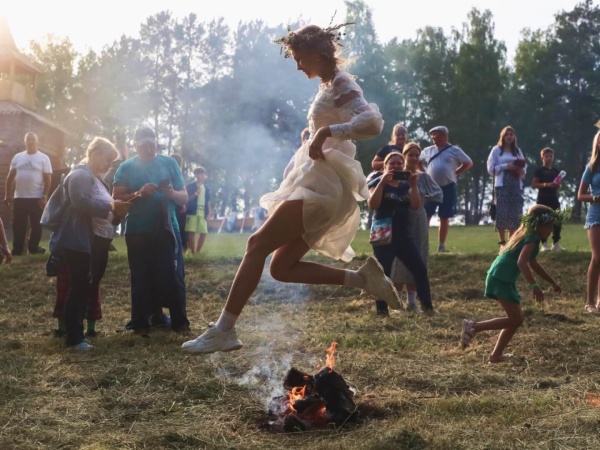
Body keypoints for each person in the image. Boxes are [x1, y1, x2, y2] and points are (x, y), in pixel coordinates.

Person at [182, 23, 399, 354]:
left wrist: (327, 133)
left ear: (315, 54)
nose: (297, 66)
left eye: (299, 58)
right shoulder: (329, 85)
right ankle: (361, 279)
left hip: (321, 188)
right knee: (280, 267)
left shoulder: (341, 82)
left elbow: (372, 123)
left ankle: (224, 330)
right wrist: (315, 136)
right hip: (317, 184)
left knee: (256, 245)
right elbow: (331, 126)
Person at [46, 137, 131, 350]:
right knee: (78, 286)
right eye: (107, 160)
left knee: (84, 286)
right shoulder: (80, 175)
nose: (108, 166)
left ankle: (78, 334)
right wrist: (112, 208)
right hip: (77, 239)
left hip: (90, 241)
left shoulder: (95, 178)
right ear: (94, 154)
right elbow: (80, 202)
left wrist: (117, 211)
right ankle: (73, 338)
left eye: (112, 162)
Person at [112, 126, 191, 335]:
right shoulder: (126, 167)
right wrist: (139, 193)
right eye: (144, 145)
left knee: (173, 274)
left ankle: (180, 322)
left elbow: (184, 197)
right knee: (141, 275)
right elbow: (116, 199)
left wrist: (171, 192)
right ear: (136, 145)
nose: (149, 149)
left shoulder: (169, 163)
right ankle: (141, 322)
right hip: (138, 229)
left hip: (167, 228)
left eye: (152, 144)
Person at [460, 205, 564, 363]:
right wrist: (534, 286)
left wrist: (552, 282)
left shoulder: (527, 235)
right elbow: (522, 262)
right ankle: (475, 327)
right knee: (516, 319)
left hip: (501, 277)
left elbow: (533, 263)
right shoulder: (532, 238)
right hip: (501, 278)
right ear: (538, 224)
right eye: (548, 226)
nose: (551, 230)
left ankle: (495, 355)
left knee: (516, 319)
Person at [368, 151, 435, 316]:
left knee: (419, 269)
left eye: (399, 163)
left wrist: (413, 186)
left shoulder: (406, 185)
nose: (396, 166)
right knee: (383, 273)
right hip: (383, 234)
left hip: (404, 235)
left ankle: (428, 307)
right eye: (392, 163)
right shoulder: (377, 181)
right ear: (385, 166)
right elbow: (373, 204)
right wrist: (382, 183)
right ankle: (382, 311)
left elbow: (415, 206)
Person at [391, 142, 442, 312]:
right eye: (410, 154)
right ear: (404, 155)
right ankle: (396, 301)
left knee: (418, 256)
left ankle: (412, 302)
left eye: (415, 155)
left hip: (418, 220)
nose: (412, 158)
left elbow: (438, 194)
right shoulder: (396, 174)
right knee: (398, 261)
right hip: (400, 219)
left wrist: (424, 199)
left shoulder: (423, 176)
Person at [419, 126, 473, 253]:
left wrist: (456, 173)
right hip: (431, 187)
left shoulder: (454, 150)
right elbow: (417, 161)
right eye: (431, 135)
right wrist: (424, 173)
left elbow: (468, 163)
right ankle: (422, 244)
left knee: (444, 216)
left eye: (435, 135)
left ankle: (441, 246)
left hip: (448, 187)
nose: (433, 137)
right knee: (426, 215)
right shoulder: (428, 150)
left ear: (444, 135)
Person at [3, 132, 52, 255]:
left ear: (37, 142)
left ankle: (34, 248)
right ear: (25, 142)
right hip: (19, 197)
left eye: (33, 140)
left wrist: (44, 196)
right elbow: (10, 177)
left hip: (36, 197)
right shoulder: (17, 157)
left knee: (36, 225)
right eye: (28, 140)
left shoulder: (43, 158)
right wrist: (7, 194)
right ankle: (18, 249)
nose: (30, 142)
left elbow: (48, 179)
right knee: (18, 225)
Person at [487, 126, 527, 248]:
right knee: (502, 212)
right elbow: (490, 169)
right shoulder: (496, 150)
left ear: (514, 137)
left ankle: (512, 241)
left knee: (515, 212)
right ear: (503, 136)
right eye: (507, 134)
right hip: (502, 184)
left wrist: (520, 170)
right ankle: (502, 242)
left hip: (515, 183)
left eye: (511, 134)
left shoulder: (517, 151)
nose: (509, 137)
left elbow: (524, 166)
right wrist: (506, 166)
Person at [577, 130, 600, 314]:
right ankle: (589, 302)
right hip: (595, 215)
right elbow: (580, 195)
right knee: (597, 257)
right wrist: (595, 197)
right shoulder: (591, 167)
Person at [532, 147, 565, 251]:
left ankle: (556, 243)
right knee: (543, 220)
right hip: (543, 198)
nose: (549, 158)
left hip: (554, 198)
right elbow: (534, 184)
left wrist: (557, 185)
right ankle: (544, 243)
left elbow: (559, 186)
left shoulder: (556, 171)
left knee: (557, 219)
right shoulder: (539, 170)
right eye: (547, 156)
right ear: (542, 158)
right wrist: (546, 184)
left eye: (551, 156)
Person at [185, 166, 211, 253]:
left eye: (203, 174)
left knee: (204, 233)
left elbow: (208, 201)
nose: (202, 176)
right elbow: (186, 199)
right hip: (192, 212)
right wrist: (195, 194)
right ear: (196, 175)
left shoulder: (206, 188)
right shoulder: (190, 186)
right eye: (200, 174)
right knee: (191, 232)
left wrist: (209, 212)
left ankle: (198, 252)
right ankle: (193, 252)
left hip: (202, 212)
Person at [170, 154, 188, 251]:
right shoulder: (176, 173)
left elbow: (182, 190)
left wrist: (183, 204)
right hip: (174, 203)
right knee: (178, 226)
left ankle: (182, 246)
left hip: (177, 203)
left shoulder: (177, 173)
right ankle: (180, 246)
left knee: (179, 226)